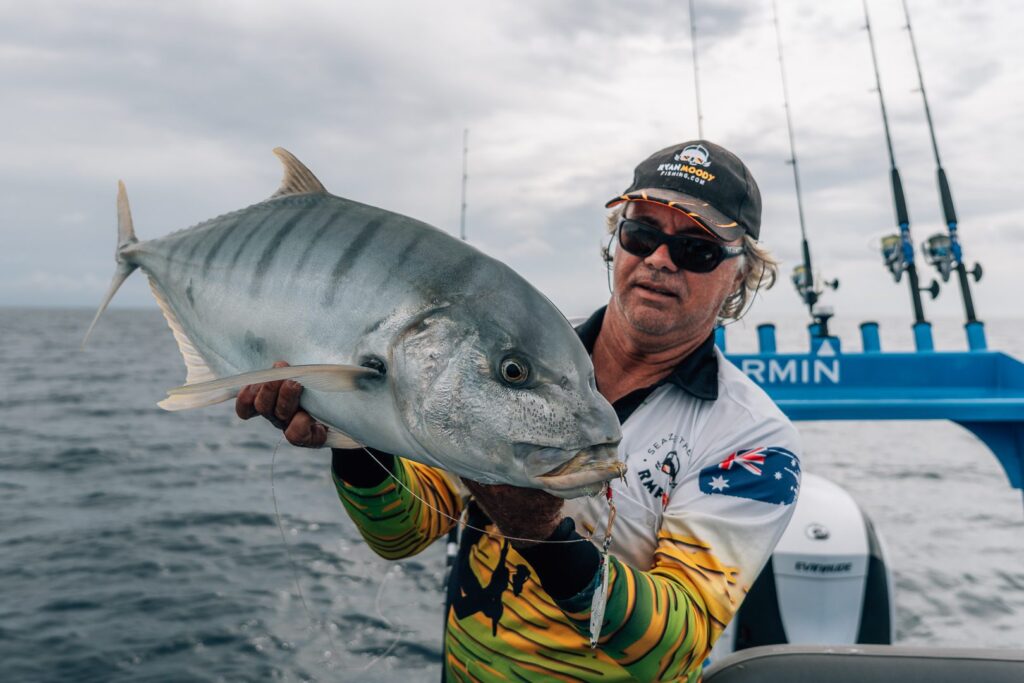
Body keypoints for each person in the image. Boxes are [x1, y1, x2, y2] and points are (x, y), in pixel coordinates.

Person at [236, 140, 802, 682]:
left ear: (742, 276)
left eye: (696, 249)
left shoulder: (752, 438)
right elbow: (401, 534)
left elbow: (674, 644)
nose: (658, 259)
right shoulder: (497, 359)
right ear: (616, 242)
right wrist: (355, 437)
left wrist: (539, 533)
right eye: (641, 232)